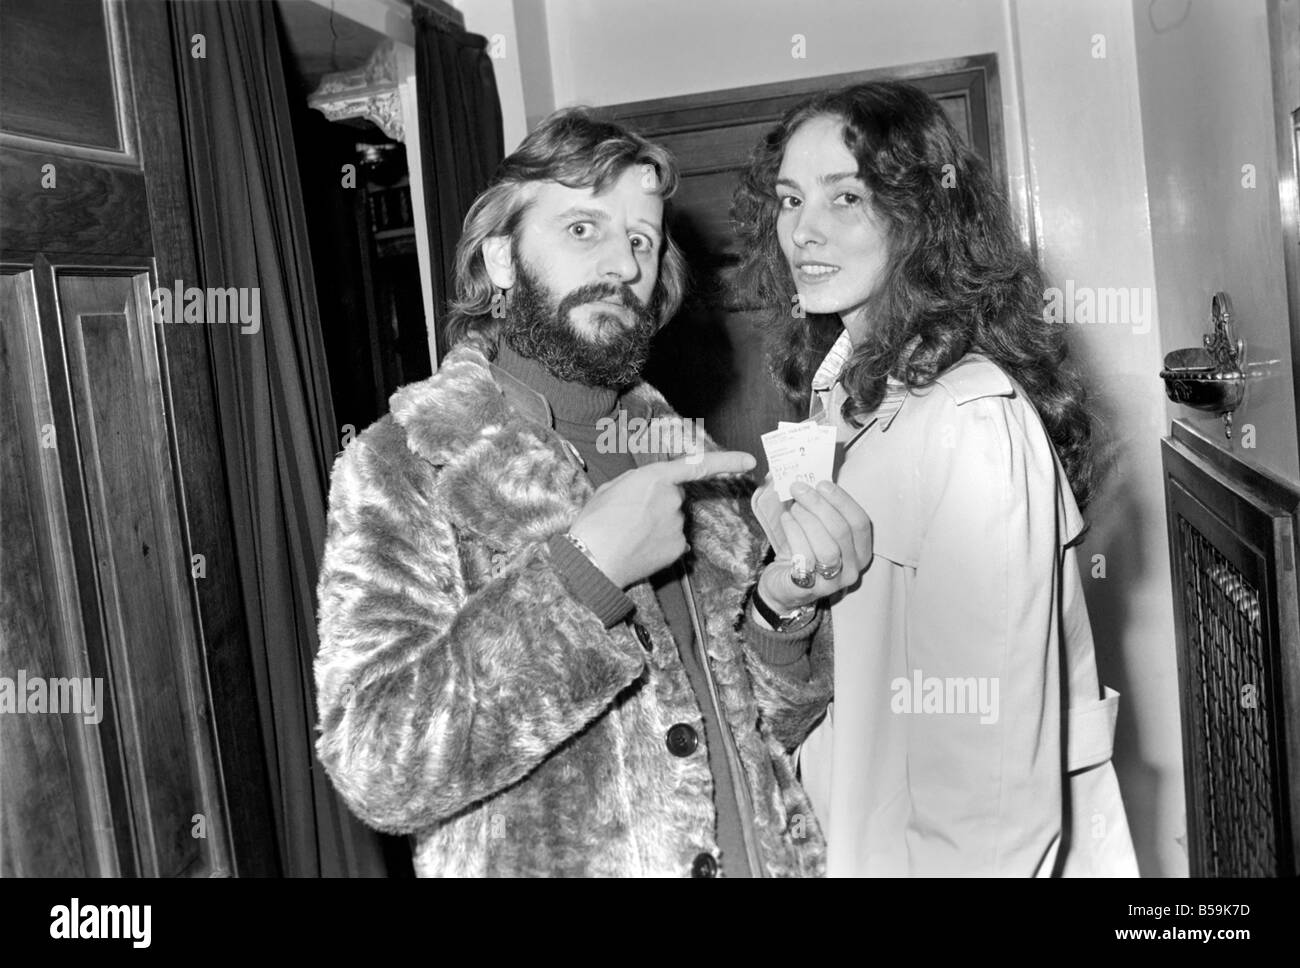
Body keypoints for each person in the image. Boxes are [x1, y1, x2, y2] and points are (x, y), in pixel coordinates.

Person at [312, 109, 873, 877]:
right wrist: (581, 578)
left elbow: (756, 728)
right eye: (583, 229)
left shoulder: (693, 458)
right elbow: (376, 766)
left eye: (641, 241)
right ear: (502, 259)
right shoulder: (407, 463)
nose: (620, 264)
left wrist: (783, 610)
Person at [733, 81, 1138, 876]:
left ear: (923, 217)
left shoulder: (969, 419)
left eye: (844, 197)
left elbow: (987, 794)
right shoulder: (843, 391)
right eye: (788, 200)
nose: (802, 231)